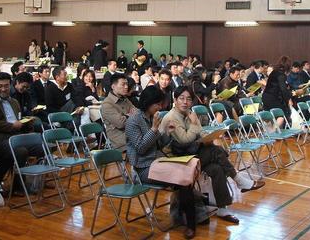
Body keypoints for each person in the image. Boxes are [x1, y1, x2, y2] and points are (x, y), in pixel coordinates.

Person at [160, 86, 265, 224]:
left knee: (217, 168)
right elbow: (184, 139)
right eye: (182, 98)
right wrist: (194, 125)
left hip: (192, 155)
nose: (185, 102)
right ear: (175, 100)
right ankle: (239, 180)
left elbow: (200, 132)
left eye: (189, 99)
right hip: (178, 161)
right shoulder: (171, 117)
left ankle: (222, 208)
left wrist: (208, 138)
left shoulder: (189, 113)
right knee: (217, 152)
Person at [125, 86, 197, 239]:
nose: (160, 107)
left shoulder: (151, 116)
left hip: (158, 161)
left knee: (187, 173)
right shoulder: (133, 121)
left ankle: (186, 218)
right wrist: (154, 129)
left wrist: (167, 134)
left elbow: (158, 145)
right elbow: (141, 148)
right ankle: (191, 223)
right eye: (157, 104)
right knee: (183, 178)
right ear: (148, 102)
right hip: (143, 168)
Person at [100, 73, 136, 150]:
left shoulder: (125, 99)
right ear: (113, 86)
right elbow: (121, 124)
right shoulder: (107, 104)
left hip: (133, 133)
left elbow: (138, 113)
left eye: (127, 84)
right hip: (121, 140)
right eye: (123, 84)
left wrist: (126, 116)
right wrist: (130, 115)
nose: (126, 87)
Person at [262, 56, 293, 128]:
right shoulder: (281, 75)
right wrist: (289, 96)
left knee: (269, 116)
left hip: (266, 96)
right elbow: (283, 89)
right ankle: (273, 133)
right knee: (282, 115)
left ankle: (268, 132)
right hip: (272, 97)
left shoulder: (274, 72)